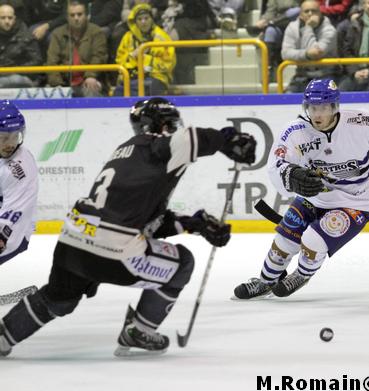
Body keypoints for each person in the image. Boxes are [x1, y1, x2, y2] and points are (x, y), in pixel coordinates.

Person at [0, 97, 257, 358]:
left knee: (58, 297)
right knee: (183, 264)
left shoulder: (126, 152)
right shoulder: (158, 149)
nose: (176, 128)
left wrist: (194, 224)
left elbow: (143, 222)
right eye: (172, 124)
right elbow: (192, 138)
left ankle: (5, 335)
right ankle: (140, 331)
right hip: (112, 249)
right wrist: (229, 140)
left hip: (73, 239)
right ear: (162, 126)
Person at [233, 78, 369, 299]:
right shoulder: (296, 131)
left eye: (323, 108)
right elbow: (277, 164)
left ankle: (302, 275)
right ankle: (265, 281)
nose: (317, 114)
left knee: (313, 240)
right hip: (317, 198)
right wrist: (292, 175)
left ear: (334, 107)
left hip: (357, 201)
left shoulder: (363, 122)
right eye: (313, 108)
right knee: (283, 241)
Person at [0, 100, 38, 270]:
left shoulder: (18, 168)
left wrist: (2, 236)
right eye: (4, 137)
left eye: (15, 136)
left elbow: (13, 215)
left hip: (13, 231)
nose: (10, 143)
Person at [46, 1, 108, 97]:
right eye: (72, 15)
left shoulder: (96, 32)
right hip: (64, 82)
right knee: (49, 94)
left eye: (79, 14)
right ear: (67, 17)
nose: (76, 18)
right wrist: (56, 83)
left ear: (87, 15)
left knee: (91, 88)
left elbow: (98, 57)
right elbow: (52, 61)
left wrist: (91, 76)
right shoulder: (57, 34)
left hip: (89, 80)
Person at [114, 3, 175, 96]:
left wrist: (145, 59)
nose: (143, 22)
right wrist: (133, 56)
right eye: (139, 19)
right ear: (134, 21)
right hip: (131, 78)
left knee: (142, 89)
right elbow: (120, 61)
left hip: (155, 77)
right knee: (118, 91)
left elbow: (169, 63)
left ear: (151, 19)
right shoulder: (127, 37)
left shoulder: (162, 36)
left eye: (146, 18)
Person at [0, 3, 43, 88]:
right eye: (3, 18)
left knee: (14, 80)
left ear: (14, 19)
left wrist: (15, 70)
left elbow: (37, 61)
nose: (7, 21)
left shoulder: (26, 36)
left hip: (20, 77)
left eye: (10, 18)